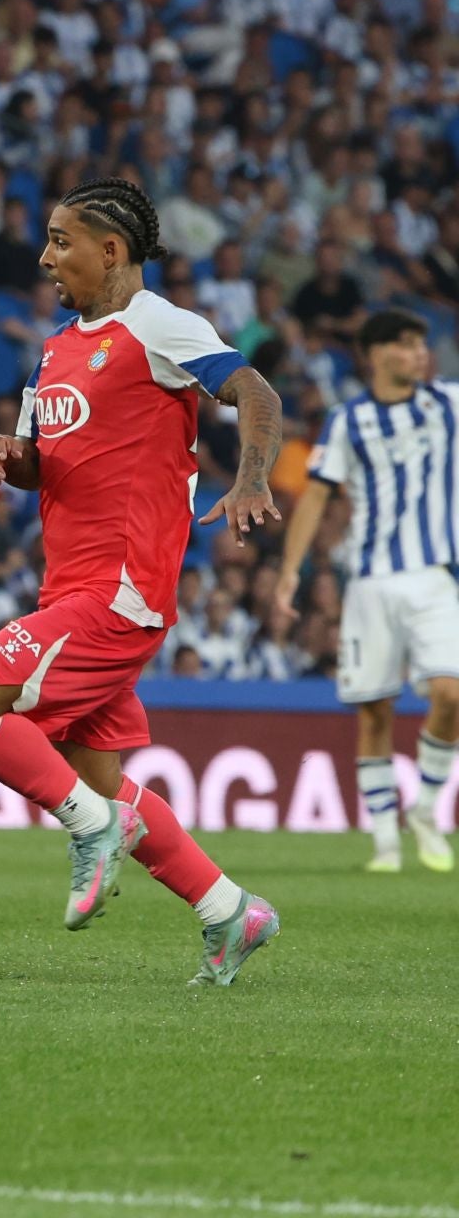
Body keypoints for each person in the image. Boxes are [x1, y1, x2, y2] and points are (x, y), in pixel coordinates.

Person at [0, 178, 283, 987]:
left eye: (61, 241)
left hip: (122, 590)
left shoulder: (159, 326)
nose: (48, 257)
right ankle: (230, 910)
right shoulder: (55, 349)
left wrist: (252, 477)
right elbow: (42, 462)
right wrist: (4, 454)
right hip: (70, 588)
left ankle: (91, 830)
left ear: (112, 251)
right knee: (98, 776)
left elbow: (252, 390)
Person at [274, 310, 457, 874]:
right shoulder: (347, 420)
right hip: (371, 580)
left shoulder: (448, 403)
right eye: (406, 345)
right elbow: (316, 497)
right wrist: (288, 574)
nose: (419, 354)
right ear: (376, 354)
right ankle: (384, 843)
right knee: (374, 712)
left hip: (434, 575)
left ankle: (425, 809)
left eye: (421, 344)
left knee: (451, 694)